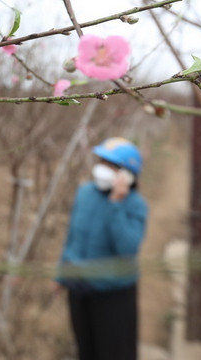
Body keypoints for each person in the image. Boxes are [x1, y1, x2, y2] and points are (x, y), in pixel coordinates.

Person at [57, 137, 148, 360]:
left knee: (114, 352)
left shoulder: (135, 205)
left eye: (111, 165)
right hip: (79, 289)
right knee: (85, 348)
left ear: (127, 175)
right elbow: (72, 238)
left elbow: (128, 249)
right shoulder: (84, 192)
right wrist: (61, 274)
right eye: (102, 162)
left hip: (113, 295)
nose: (102, 169)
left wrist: (116, 204)